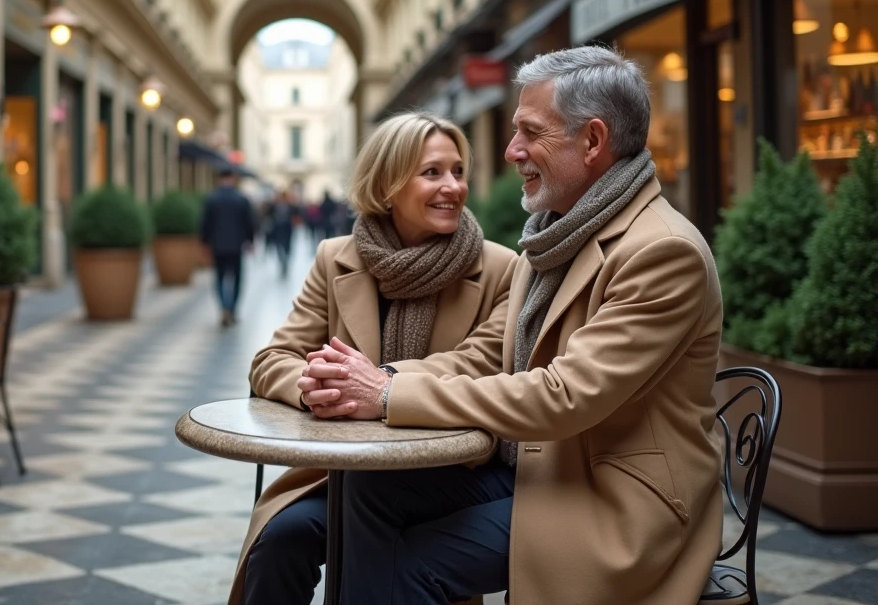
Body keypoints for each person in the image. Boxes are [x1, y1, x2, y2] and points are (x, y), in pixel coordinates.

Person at [304, 46, 724, 604]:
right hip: (539, 466)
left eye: (530, 132)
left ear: (593, 141)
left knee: (407, 568)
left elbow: (563, 396)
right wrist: (370, 379)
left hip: (613, 497)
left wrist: (386, 394)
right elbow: (487, 358)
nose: (511, 151)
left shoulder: (662, 251)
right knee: (363, 487)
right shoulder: (554, 235)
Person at [229, 113, 520, 605]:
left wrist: (379, 386)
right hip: (343, 469)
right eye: (432, 172)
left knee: (370, 532)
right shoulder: (336, 257)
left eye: (457, 171)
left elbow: (480, 362)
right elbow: (271, 358)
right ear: (387, 185)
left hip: (449, 473)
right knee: (280, 539)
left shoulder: (500, 268)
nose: (453, 186)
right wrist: (315, 384)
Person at [200, 168, 259, 327]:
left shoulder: (212, 199)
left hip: (218, 246)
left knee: (219, 277)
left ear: (219, 179)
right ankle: (232, 308)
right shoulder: (241, 199)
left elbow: (205, 223)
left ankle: (224, 307)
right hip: (236, 246)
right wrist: (251, 241)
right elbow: (250, 222)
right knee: (237, 279)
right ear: (233, 179)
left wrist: (205, 243)